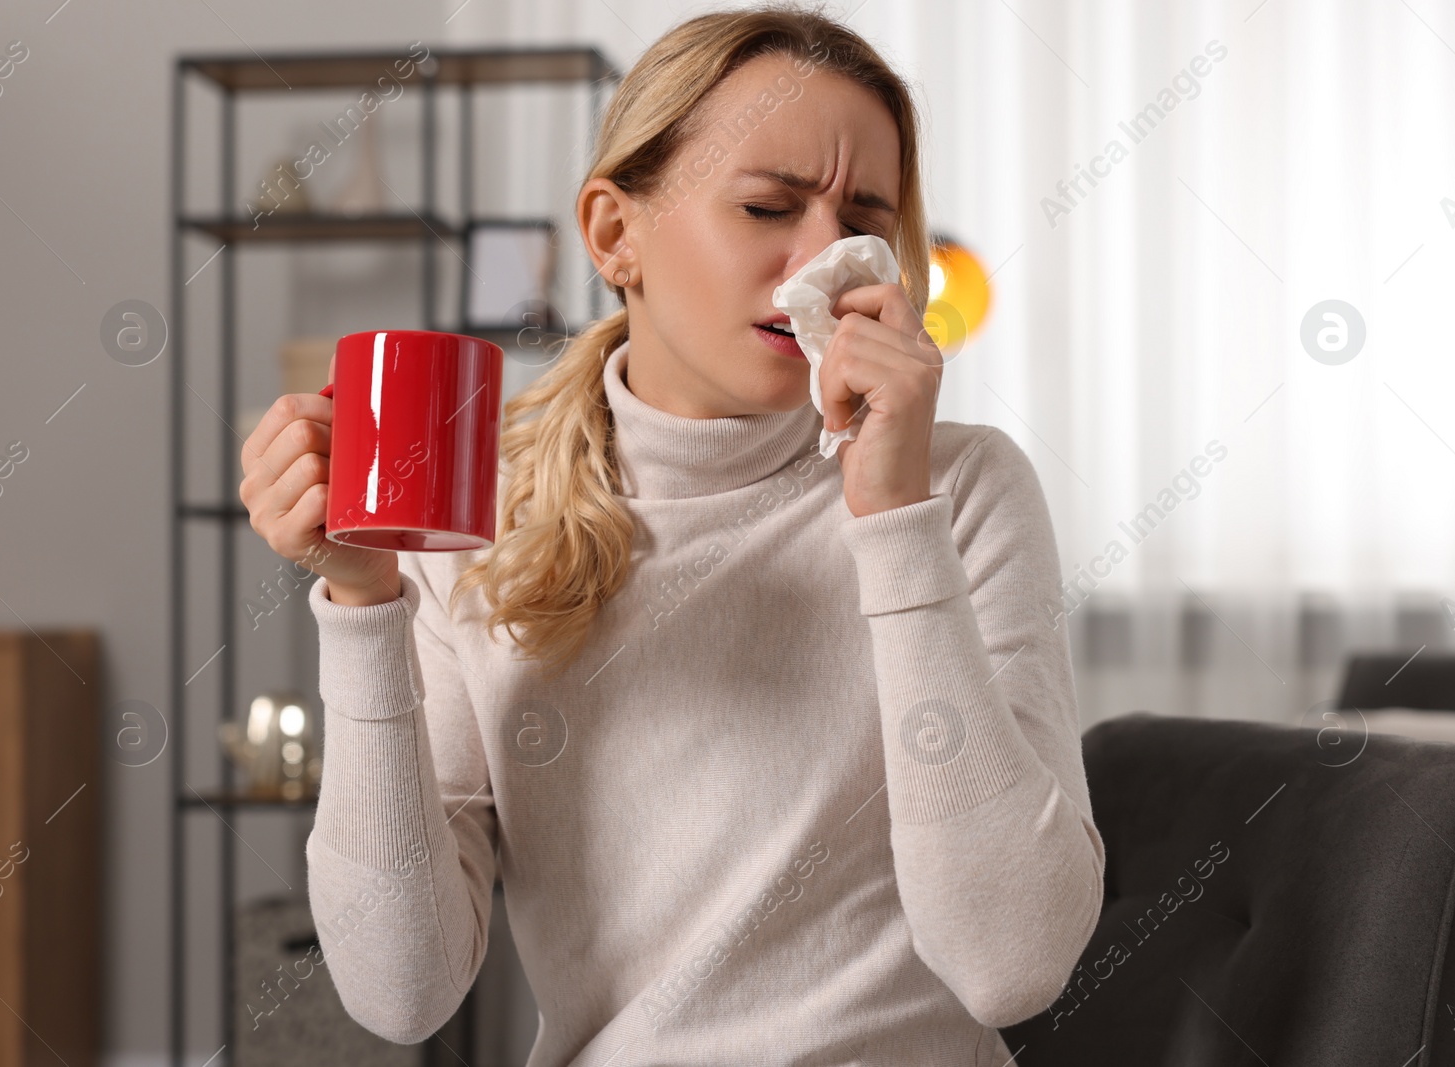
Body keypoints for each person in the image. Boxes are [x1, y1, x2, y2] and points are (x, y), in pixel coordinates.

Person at [238, 4, 1104, 1063]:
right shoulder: (479, 513)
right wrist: (364, 603)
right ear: (614, 233)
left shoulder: (957, 487)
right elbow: (400, 989)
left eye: (861, 219)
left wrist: (894, 519)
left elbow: (1013, 962)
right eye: (766, 207)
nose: (820, 263)